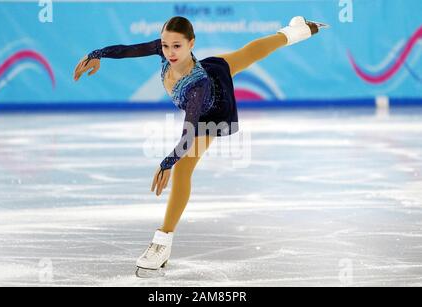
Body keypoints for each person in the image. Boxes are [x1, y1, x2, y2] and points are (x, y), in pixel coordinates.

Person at [73, 15, 325, 277]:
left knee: (182, 170)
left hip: (211, 110)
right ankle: (297, 31)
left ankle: (162, 242)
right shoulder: (164, 49)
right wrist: (96, 54)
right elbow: (128, 50)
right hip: (211, 71)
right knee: (248, 53)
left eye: (177, 46)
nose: (170, 52)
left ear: (191, 43)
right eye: (165, 45)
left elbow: (189, 131)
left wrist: (168, 162)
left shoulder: (197, 85)